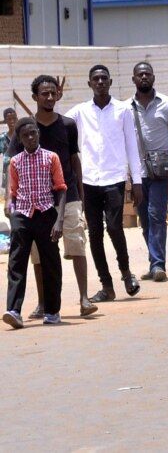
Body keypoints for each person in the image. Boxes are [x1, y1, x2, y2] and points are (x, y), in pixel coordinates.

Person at [15, 76, 97, 319]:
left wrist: (80, 196)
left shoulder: (68, 125)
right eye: (44, 94)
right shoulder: (26, 129)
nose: (49, 97)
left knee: (76, 244)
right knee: (39, 254)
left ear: (58, 94)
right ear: (35, 97)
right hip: (35, 201)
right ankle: (43, 304)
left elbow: (74, 160)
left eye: (53, 93)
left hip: (67, 196)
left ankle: (84, 298)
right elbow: (13, 164)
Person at [66, 66, 143, 303]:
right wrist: (56, 99)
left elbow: (132, 146)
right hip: (88, 181)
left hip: (114, 179)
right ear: (89, 84)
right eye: (95, 79)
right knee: (95, 233)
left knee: (114, 227)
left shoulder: (123, 111)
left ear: (110, 82)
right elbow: (59, 123)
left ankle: (126, 274)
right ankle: (106, 285)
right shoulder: (80, 112)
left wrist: (137, 182)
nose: (100, 82)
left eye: (103, 79)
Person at [3, 118, 67, 328]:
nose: (30, 138)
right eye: (25, 135)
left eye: (33, 133)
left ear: (38, 134)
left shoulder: (51, 158)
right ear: (20, 139)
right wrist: (11, 213)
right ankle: (13, 310)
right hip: (22, 215)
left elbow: (61, 189)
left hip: (46, 213)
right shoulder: (15, 161)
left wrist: (59, 220)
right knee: (16, 262)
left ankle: (52, 311)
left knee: (51, 263)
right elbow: (12, 192)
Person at [128, 61, 168, 283]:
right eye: (140, 74)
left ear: (153, 78)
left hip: (161, 172)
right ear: (134, 80)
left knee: (156, 215)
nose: (144, 77)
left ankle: (158, 265)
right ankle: (153, 261)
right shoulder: (125, 108)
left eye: (148, 73)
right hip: (138, 173)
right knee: (144, 219)